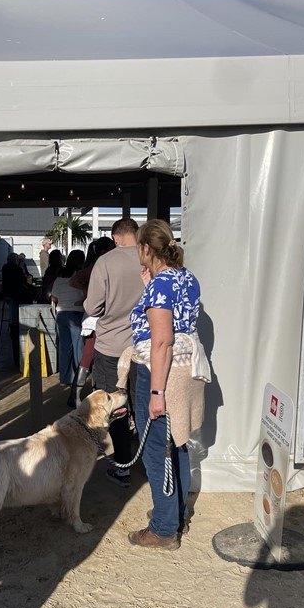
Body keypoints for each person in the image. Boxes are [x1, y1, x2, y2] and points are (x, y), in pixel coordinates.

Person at [126, 219, 205, 550]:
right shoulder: (186, 278)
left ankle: (162, 528)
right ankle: (176, 511)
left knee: (158, 450)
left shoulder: (161, 287)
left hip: (160, 373)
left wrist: (156, 393)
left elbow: (161, 342)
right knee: (178, 443)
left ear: (145, 249)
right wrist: (149, 283)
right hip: (185, 372)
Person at [84, 218, 143, 486]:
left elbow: (93, 307)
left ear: (116, 237)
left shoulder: (106, 262)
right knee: (142, 404)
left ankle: (123, 468)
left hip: (111, 347)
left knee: (115, 406)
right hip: (143, 347)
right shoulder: (149, 258)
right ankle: (149, 460)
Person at [67, 236, 115, 407]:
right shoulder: (98, 265)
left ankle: (85, 392)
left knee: (93, 355)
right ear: (103, 251)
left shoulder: (103, 263)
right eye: (111, 247)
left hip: (100, 314)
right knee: (89, 355)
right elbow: (73, 281)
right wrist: (88, 290)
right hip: (95, 317)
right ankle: (76, 394)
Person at [50, 249, 86, 386]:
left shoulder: (59, 278)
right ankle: (79, 379)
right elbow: (85, 297)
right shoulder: (81, 278)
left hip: (61, 315)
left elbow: (54, 297)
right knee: (79, 349)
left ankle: (65, 379)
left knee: (65, 348)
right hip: (77, 314)